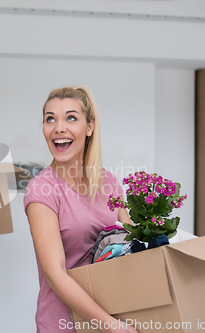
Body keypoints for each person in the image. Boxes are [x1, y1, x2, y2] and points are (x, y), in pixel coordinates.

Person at [24, 86, 138, 333]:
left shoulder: (109, 182)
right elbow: (55, 274)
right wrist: (110, 325)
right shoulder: (42, 190)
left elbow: (131, 246)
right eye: (50, 119)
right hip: (65, 323)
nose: (59, 127)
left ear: (89, 127)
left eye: (71, 118)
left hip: (115, 314)